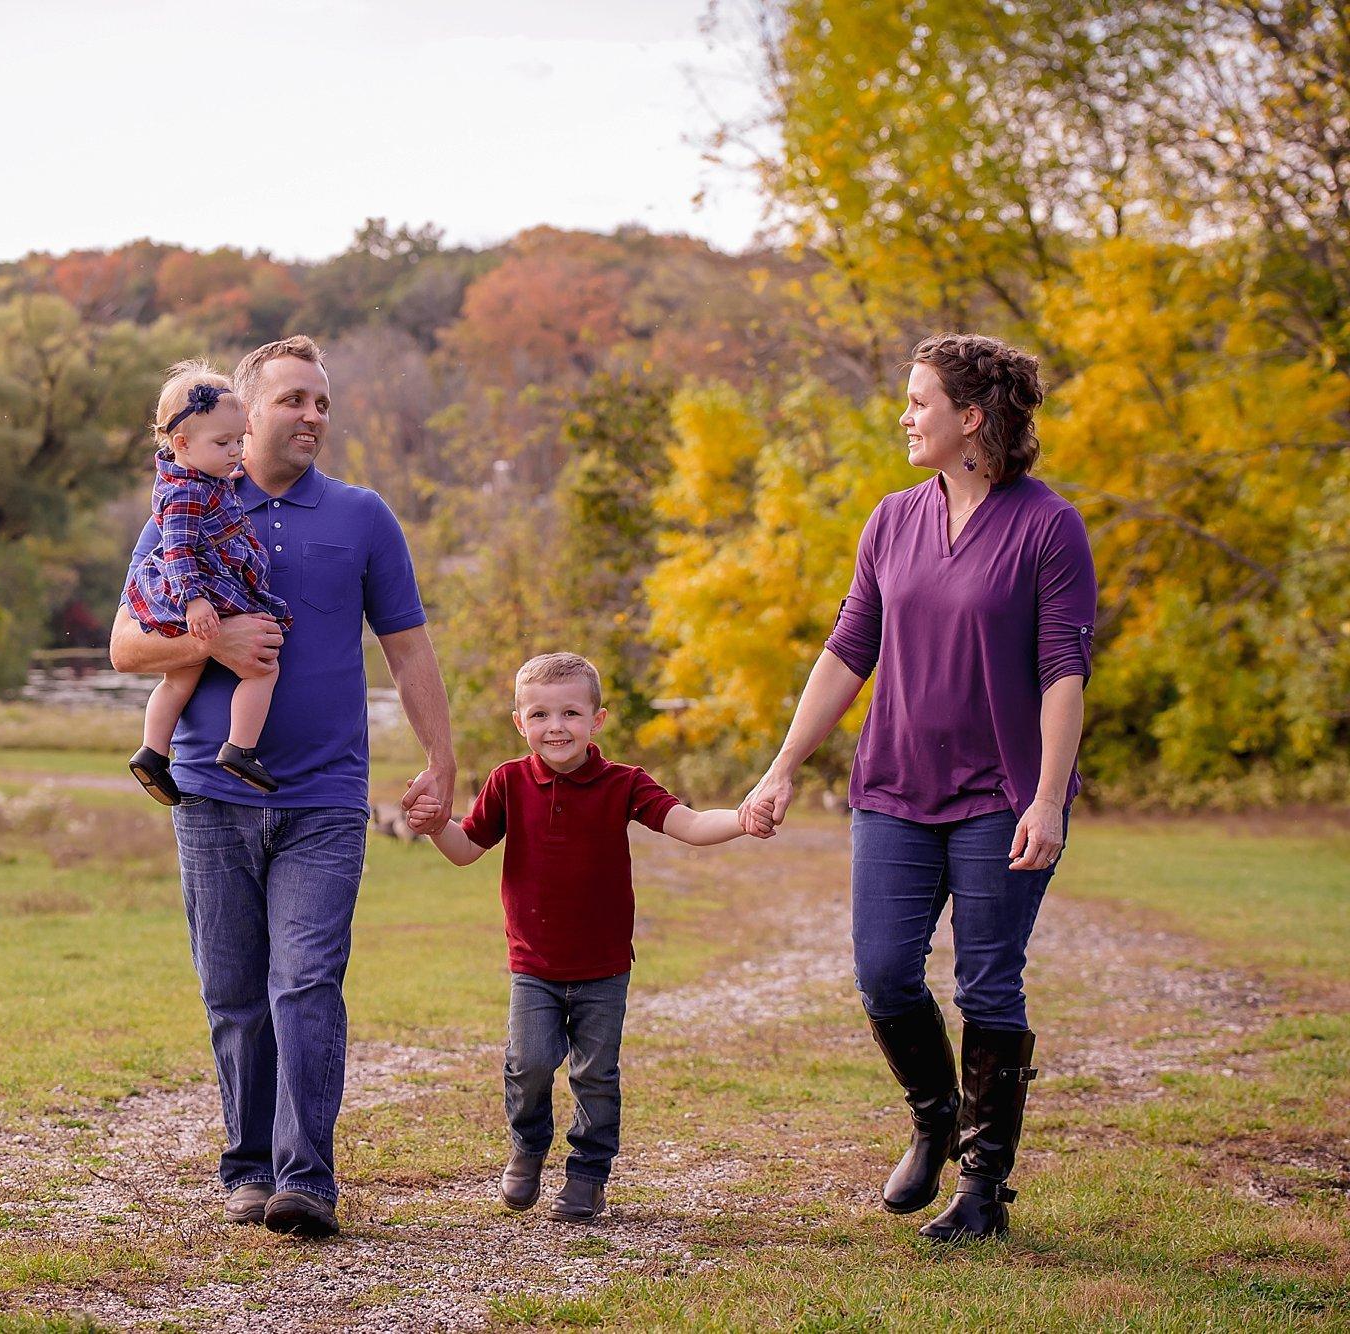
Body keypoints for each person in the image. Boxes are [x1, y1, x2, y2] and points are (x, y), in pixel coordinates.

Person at [738, 332, 1098, 1240]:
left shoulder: (1048, 526)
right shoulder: (892, 519)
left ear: (970, 418)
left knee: (988, 984)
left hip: (1001, 796)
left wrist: (1049, 796)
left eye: (919, 402)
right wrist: (783, 768)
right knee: (885, 974)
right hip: (894, 786)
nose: (905, 416)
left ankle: (983, 1187)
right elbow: (847, 649)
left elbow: (1063, 669)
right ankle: (936, 1116)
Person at [110, 335, 456, 1239]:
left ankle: (307, 1180)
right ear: (246, 410)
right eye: (296, 400)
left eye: (323, 404)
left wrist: (440, 758)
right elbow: (126, 649)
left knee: (306, 982)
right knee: (232, 991)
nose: (313, 417)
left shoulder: (362, 515)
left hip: (325, 798)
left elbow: (408, 646)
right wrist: (209, 644)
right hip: (210, 795)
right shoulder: (179, 513)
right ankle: (248, 1167)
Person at [410, 652, 753, 1223]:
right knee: (529, 1063)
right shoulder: (507, 782)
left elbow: (689, 825)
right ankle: (527, 1147)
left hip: (603, 966)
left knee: (595, 1073)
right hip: (534, 965)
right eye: (540, 714)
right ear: (520, 723)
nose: (556, 727)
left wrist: (742, 818)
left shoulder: (623, 784)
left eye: (571, 712)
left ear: (597, 719)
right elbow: (466, 849)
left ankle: (588, 1174)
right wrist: (432, 826)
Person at [124, 361, 293, 802]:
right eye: (223, 443)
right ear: (181, 443)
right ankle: (240, 748)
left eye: (239, 441)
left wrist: (223, 471)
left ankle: (152, 753)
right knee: (262, 668)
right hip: (202, 592)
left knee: (180, 679)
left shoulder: (199, 478)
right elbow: (178, 550)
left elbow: (209, 502)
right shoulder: (185, 495)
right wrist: (195, 601)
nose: (236, 451)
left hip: (200, 591)